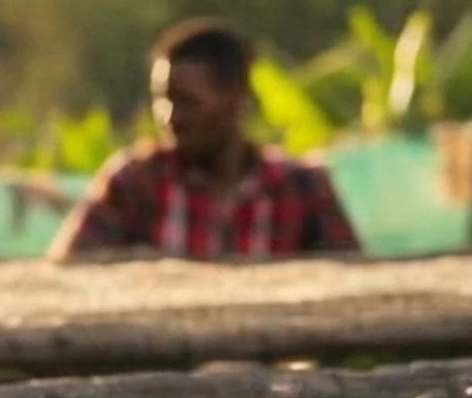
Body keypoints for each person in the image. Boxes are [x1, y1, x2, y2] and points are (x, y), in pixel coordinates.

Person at [51, 20, 361, 262]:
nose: (170, 117)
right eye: (163, 101)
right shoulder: (135, 183)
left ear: (237, 100)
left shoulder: (300, 187)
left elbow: (350, 288)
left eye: (188, 102)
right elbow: (69, 276)